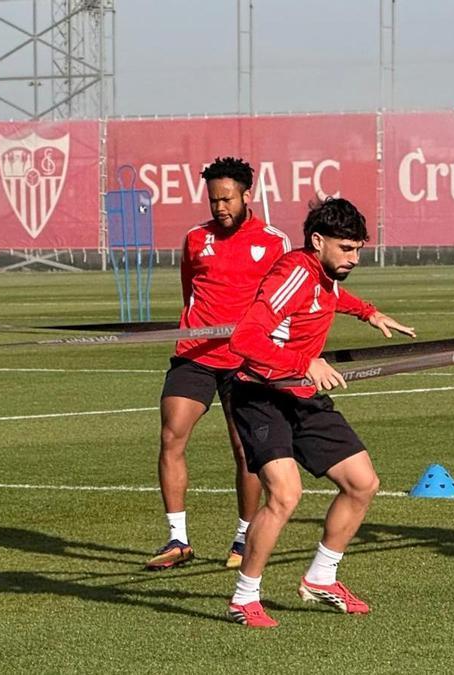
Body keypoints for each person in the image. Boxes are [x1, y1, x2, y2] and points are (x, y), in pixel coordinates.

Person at [224, 197, 415, 628]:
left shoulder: (324, 274)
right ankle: (244, 597)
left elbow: (328, 296)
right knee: (286, 495)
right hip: (260, 394)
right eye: (346, 249)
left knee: (362, 483)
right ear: (317, 241)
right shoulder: (293, 272)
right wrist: (305, 363)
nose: (354, 258)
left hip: (301, 394)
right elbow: (244, 339)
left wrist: (368, 312)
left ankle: (321, 577)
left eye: (358, 250)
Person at [146, 157, 292, 572]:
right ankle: (178, 539)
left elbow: (284, 302)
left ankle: (244, 537)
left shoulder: (274, 241)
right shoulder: (195, 238)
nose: (219, 208)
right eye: (213, 200)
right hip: (194, 354)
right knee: (171, 436)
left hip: (246, 359)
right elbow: (189, 288)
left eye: (226, 199)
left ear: (248, 195)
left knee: (245, 449)